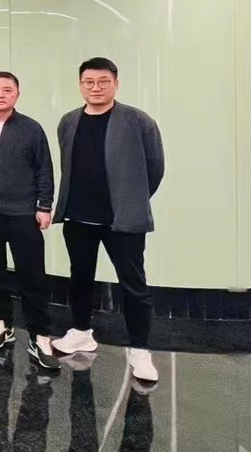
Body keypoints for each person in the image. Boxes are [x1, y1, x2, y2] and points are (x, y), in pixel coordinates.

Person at [51, 57, 166, 384]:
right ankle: (81, 332)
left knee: (134, 284)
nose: (96, 87)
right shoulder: (68, 121)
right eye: (89, 82)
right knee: (80, 277)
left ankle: (140, 349)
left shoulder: (138, 121)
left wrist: (132, 200)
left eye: (103, 81)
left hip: (122, 220)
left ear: (116, 83)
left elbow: (155, 168)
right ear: (80, 85)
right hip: (78, 217)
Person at [0, 71, 60, 373]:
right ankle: (1, 323)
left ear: (17, 95)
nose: (1, 94)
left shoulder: (32, 129)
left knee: (33, 276)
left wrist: (44, 206)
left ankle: (40, 335)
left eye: (7, 90)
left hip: (23, 214)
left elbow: (44, 168)